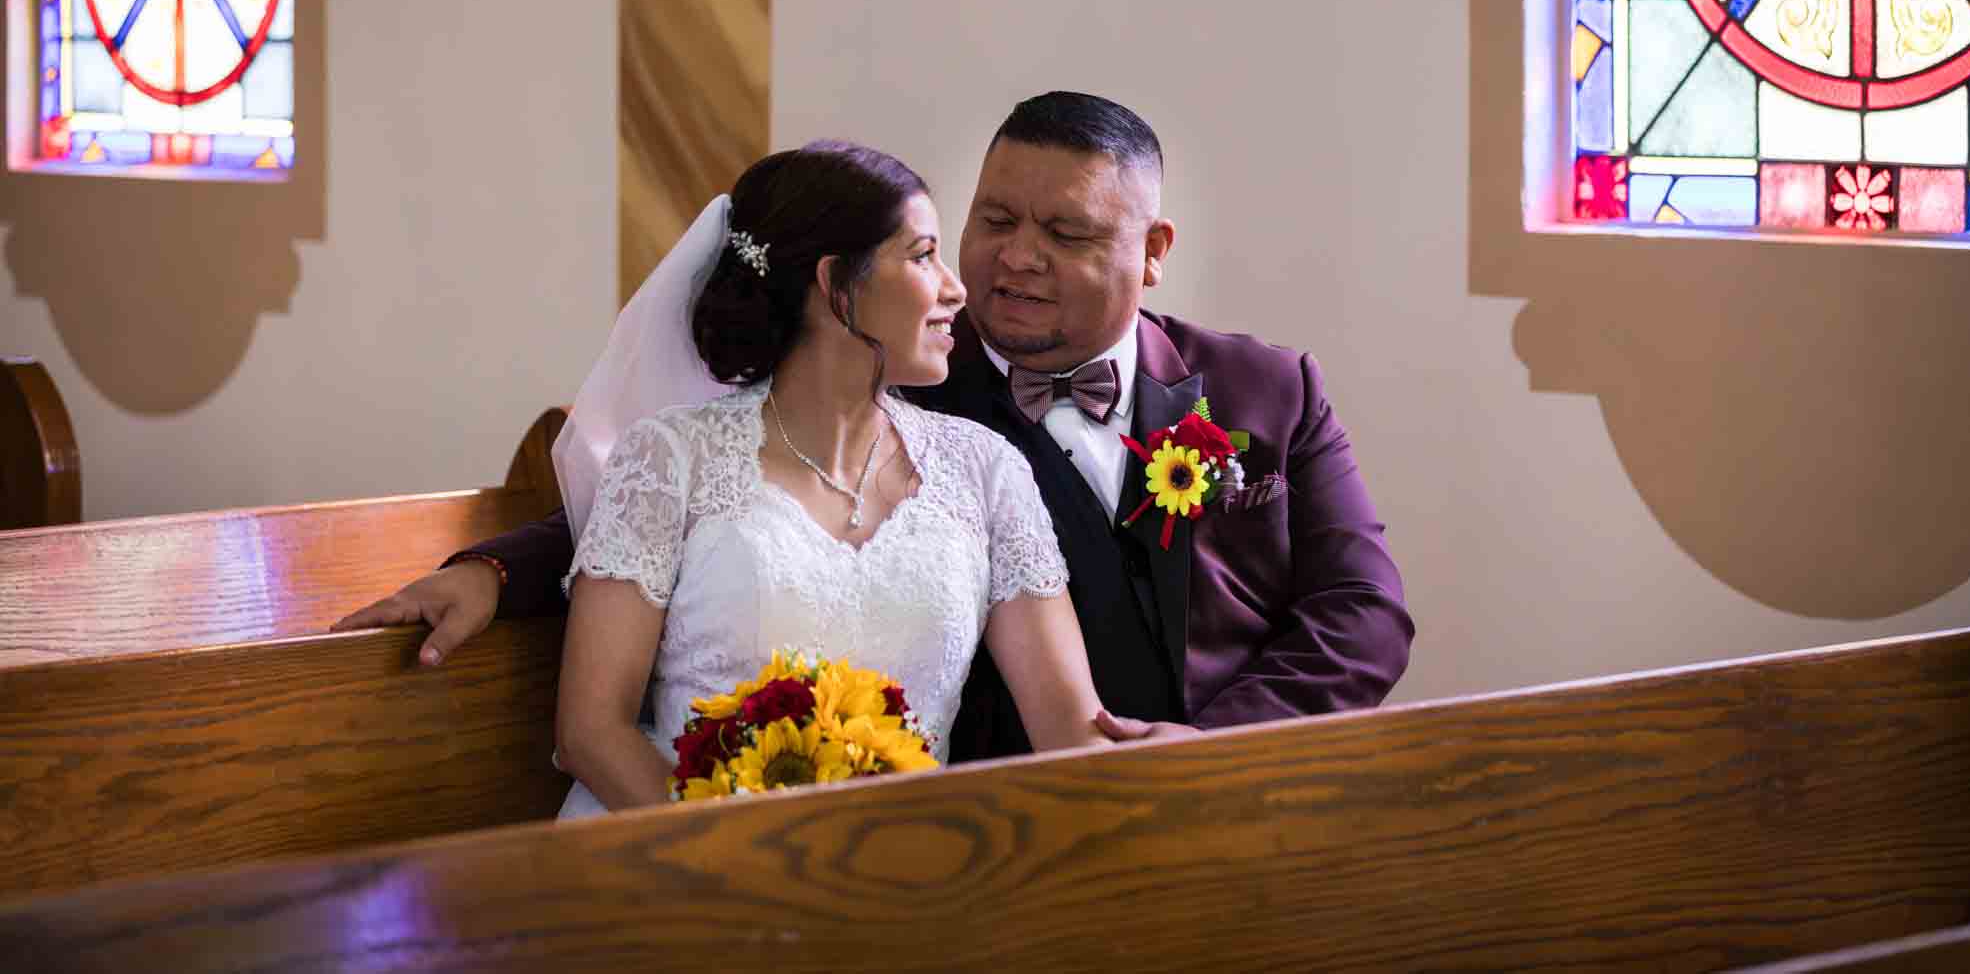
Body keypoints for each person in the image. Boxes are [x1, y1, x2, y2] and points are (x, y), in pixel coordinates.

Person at [337, 92, 1413, 763]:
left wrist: (1211, 751)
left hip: (1213, 781)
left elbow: (1362, 612)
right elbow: (706, 487)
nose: (1008, 259)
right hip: (985, 811)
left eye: (1063, 231)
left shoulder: (1268, 390)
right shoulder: (909, 392)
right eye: (991, 221)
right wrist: (493, 567)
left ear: (1154, 246)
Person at [545, 141, 1108, 815]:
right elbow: (591, 731)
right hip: (679, 863)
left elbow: (1071, 731)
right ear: (838, 284)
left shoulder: (987, 471)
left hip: (903, 872)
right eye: (923, 256)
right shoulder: (669, 459)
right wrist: (737, 863)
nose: (957, 289)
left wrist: (1201, 765)